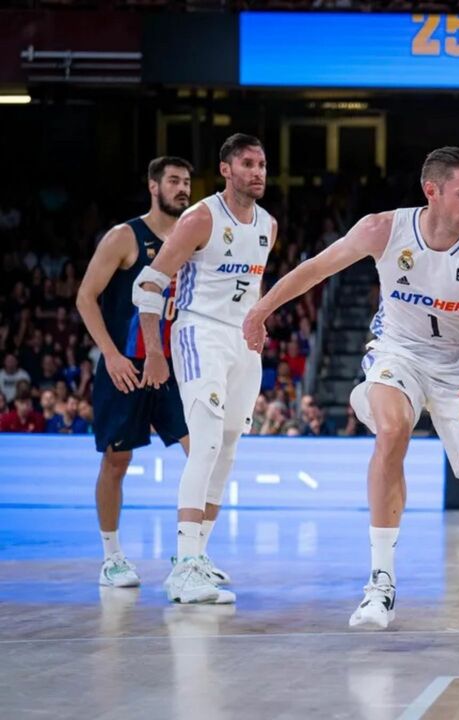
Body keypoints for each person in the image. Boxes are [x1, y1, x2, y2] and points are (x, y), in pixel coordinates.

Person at [244, 146, 459, 629]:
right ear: (431, 191)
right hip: (399, 352)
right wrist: (259, 310)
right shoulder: (384, 228)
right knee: (392, 431)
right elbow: (314, 269)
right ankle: (381, 581)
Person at [135, 134, 276, 605]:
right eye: (247, 164)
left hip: (242, 341)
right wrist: (154, 351)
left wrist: (258, 321)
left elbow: (249, 288)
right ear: (226, 170)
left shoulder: (268, 225)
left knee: (229, 446)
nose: (257, 172)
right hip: (200, 333)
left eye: (261, 164)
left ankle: (198, 556)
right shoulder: (201, 217)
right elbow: (149, 284)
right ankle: (184, 564)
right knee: (207, 441)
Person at [76, 156, 195, 588]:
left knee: (199, 451)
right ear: (153, 186)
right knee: (116, 460)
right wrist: (110, 354)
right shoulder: (125, 236)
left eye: (187, 182)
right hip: (126, 364)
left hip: (176, 366)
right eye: (174, 181)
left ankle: (190, 554)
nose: (183, 189)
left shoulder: (194, 238)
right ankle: (111, 557)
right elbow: (86, 298)